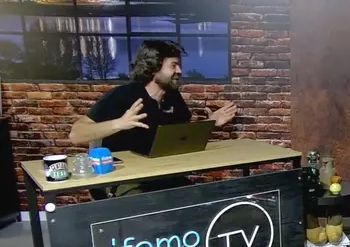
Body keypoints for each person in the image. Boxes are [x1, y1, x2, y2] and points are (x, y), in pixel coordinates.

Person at [68, 40, 237, 196]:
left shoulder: (173, 97)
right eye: (173, 65)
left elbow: (181, 136)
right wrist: (119, 123)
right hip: (125, 177)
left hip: (161, 173)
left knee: (198, 198)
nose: (179, 71)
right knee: (147, 207)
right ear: (154, 68)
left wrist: (211, 123)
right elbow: (76, 134)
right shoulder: (123, 95)